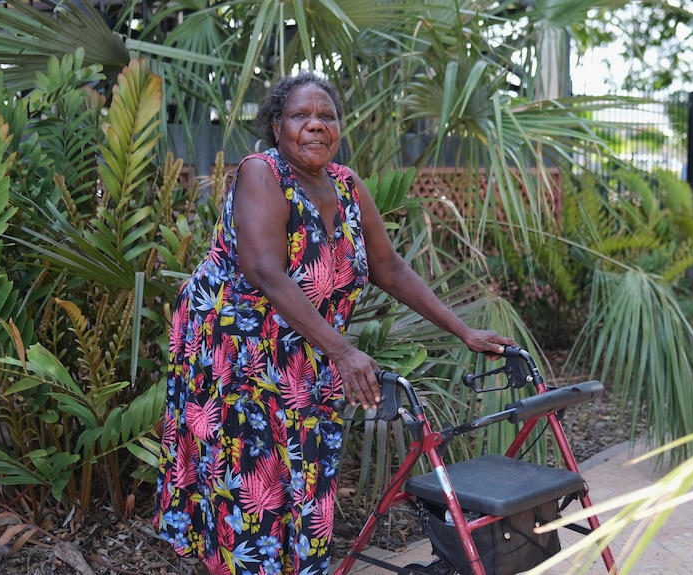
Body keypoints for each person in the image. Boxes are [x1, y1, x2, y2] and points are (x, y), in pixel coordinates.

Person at [153, 71, 515, 575]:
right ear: (277, 125)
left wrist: (463, 330)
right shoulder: (262, 173)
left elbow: (391, 268)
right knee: (252, 478)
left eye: (326, 116)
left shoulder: (346, 184)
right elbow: (265, 272)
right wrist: (343, 350)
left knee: (305, 474)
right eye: (301, 116)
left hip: (307, 352)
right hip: (238, 355)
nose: (315, 126)